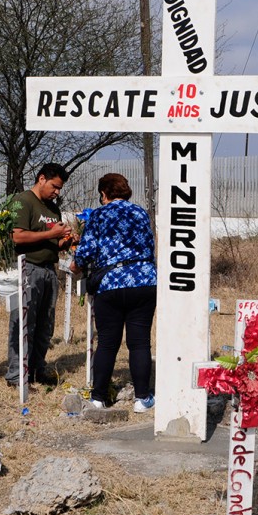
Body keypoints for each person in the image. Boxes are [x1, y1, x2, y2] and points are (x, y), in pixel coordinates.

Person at [70, 173, 157, 413]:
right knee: (139, 342)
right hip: (144, 282)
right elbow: (150, 245)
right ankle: (142, 398)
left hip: (111, 284)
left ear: (103, 193)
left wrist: (75, 264)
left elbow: (86, 251)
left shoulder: (98, 215)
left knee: (108, 342)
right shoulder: (140, 212)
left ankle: (98, 398)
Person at [4, 163, 76, 387]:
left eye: (60, 189)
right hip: (29, 269)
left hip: (49, 270)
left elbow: (54, 242)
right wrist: (51, 233)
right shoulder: (23, 201)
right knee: (25, 323)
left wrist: (66, 241)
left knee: (46, 325)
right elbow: (18, 237)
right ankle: (17, 375)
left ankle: (38, 370)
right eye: (54, 186)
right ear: (41, 178)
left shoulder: (53, 209)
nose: (57, 192)